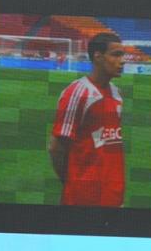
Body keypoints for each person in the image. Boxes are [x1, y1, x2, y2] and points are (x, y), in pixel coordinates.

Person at [49, 33, 125, 207]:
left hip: (113, 196)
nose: (123, 60)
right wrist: (74, 183)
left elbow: (106, 144)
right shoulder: (78, 93)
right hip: (82, 198)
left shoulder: (117, 93)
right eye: (116, 55)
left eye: (123, 55)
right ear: (98, 57)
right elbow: (56, 148)